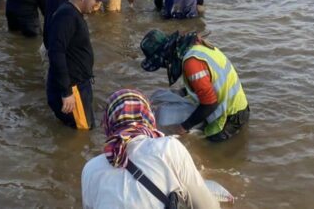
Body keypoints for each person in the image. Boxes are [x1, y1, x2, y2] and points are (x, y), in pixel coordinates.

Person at [81, 89, 220, 208]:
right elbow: (208, 207)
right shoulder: (168, 147)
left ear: (108, 122)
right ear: (148, 116)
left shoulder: (90, 169)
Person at [141, 30, 249, 143]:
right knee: (161, 96)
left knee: (207, 150)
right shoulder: (195, 47)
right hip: (236, 107)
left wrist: (183, 127)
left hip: (230, 117)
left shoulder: (191, 63)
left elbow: (210, 104)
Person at [46, 0, 108, 129]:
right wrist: (66, 93)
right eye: (96, 0)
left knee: (82, 128)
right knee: (83, 132)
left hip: (79, 85)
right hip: (73, 89)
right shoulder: (66, 16)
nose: (98, 5)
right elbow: (56, 53)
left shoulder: (73, 13)